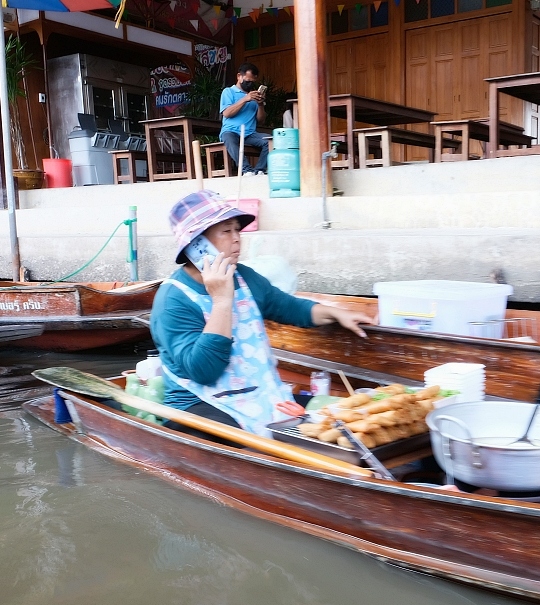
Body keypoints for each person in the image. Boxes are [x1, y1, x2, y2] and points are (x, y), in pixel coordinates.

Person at [150, 190, 376, 441]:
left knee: (333, 426)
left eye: (237, 230)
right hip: (200, 402)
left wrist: (337, 313)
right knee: (250, 447)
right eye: (226, 231)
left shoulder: (244, 277)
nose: (237, 239)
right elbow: (203, 371)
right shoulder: (173, 300)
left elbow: (289, 307)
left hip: (258, 394)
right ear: (196, 244)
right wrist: (222, 301)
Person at [220, 62, 269, 175]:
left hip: (249, 133)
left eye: (252, 82)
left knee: (271, 140)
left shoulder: (254, 95)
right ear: (239, 76)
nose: (250, 84)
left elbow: (261, 120)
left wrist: (261, 104)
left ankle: (259, 170)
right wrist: (245, 99)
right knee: (229, 138)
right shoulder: (228, 92)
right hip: (231, 131)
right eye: (247, 81)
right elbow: (227, 113)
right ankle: (246, 170)